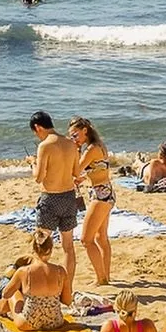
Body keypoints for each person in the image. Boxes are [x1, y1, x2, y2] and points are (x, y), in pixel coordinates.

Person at [30, 109, 81, 288]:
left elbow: (38, 177)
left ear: (38, 127)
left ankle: (41, 284)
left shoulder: (45, 146)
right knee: (68, 247)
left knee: (41, 243)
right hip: (68, 197)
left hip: (50, 199)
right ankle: (68, 287)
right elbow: (77, 172)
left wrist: (32, 163)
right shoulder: (70, 143)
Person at [0, 229, 73, 332]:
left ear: (34, 250)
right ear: (51, 249)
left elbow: (6, 294)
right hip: (55, 322)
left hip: (29, 323)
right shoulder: (60, 271)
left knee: (13, 293)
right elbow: (67, 301)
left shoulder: (24, 271)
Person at [69, 115, 115, 286]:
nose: (73, 139)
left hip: (101, 195)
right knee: (101, 237)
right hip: (105, 191)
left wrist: (74, 150)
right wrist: (84, 178)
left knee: (86, 240)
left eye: (75, 135)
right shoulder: (97, 146)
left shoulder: (90, 149)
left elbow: (75, 169)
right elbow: (99, 167)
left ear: (85, 131)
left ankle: (101, 278)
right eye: (71, 136)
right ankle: (106, 276)